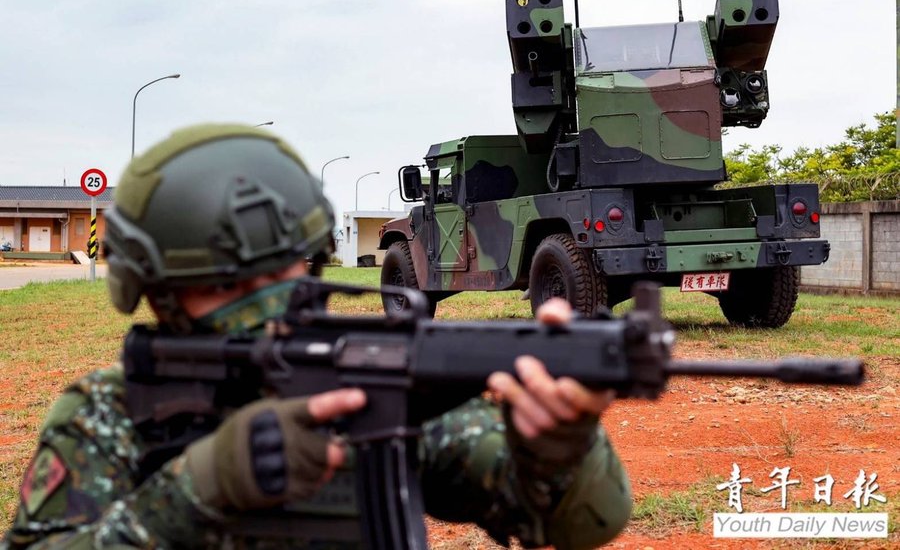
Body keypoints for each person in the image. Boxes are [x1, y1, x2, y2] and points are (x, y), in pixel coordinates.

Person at [3, 124, 631, 549]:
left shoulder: (367, 386)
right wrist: (197, 490)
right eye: (227, 285)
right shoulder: (109, 416)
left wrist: (558, 446)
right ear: (158, 293)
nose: (270, 301)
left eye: (285, 272)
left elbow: (580, 523)